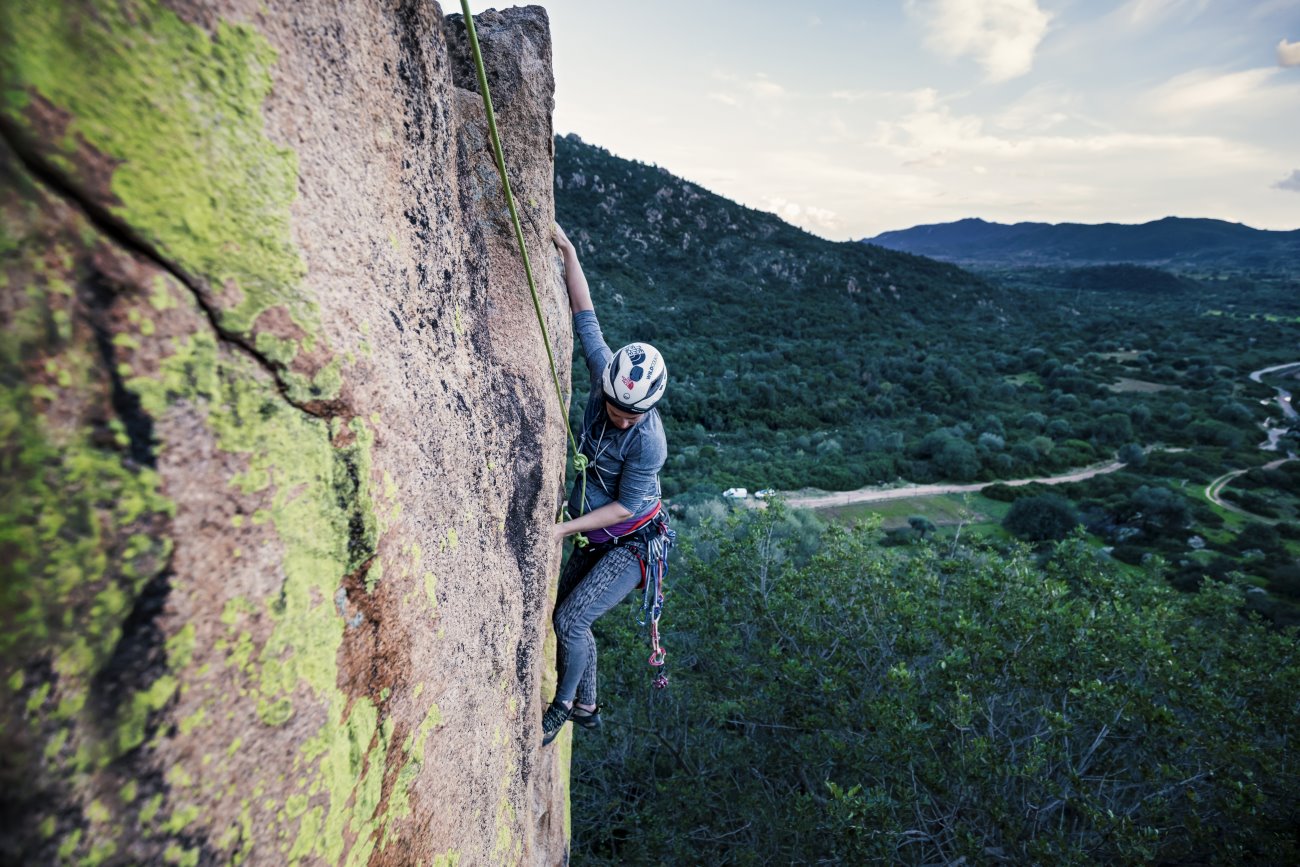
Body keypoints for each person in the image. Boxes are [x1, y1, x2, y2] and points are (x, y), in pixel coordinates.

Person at [543, 224, 669, 747]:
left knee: (570, 621)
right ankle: (590, 702)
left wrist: (561, 530)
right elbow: (585, 317)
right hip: (599, 536)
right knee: (564, 616)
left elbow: (623, 507)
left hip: (634, 542)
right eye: (613, 408)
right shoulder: (605, 376)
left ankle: (565, 707)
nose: (618, 419)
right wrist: (571, 251)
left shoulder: (649, 443)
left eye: (628, 415)